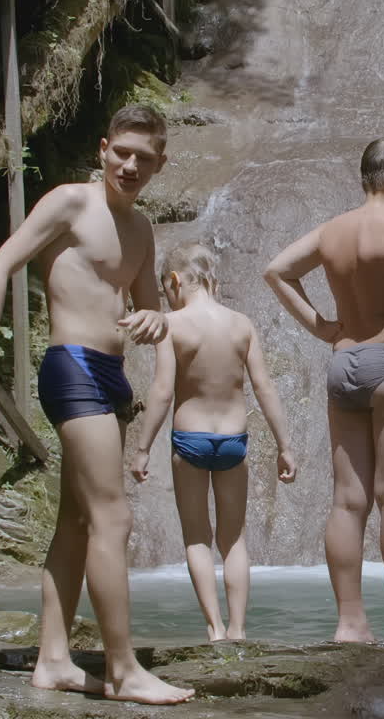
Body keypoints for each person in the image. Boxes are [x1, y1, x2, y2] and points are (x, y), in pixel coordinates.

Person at [0, 105, 194, 704]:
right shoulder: (69, 202)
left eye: (145, 157)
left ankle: (54, 660)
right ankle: (122, 670)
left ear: (162, 162)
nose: (131, 164)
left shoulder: (141, 230)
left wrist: (154, 318)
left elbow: (148, 313)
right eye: (123, 152)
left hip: (111, 375)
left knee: (77, 521)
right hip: (73, 369)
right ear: (104, 147)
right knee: (113, 517)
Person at [263, 136, 384, 652]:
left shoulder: (332, 231)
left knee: (347, 499)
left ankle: (349, 623)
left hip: (344, 364)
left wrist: (322, 327)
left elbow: (276, 271)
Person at [131, 242, 298, 642]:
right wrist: (284, 445)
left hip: (190, 440)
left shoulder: (173, 325)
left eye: (166, 289)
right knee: (233, 538)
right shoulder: (241, 324)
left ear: (174, 281)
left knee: (196, 537)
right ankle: (240, 629)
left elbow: (162, 392)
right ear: (212, 280)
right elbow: (265, 387)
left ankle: (215, 629)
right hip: (233, 441)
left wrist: (141, 447)